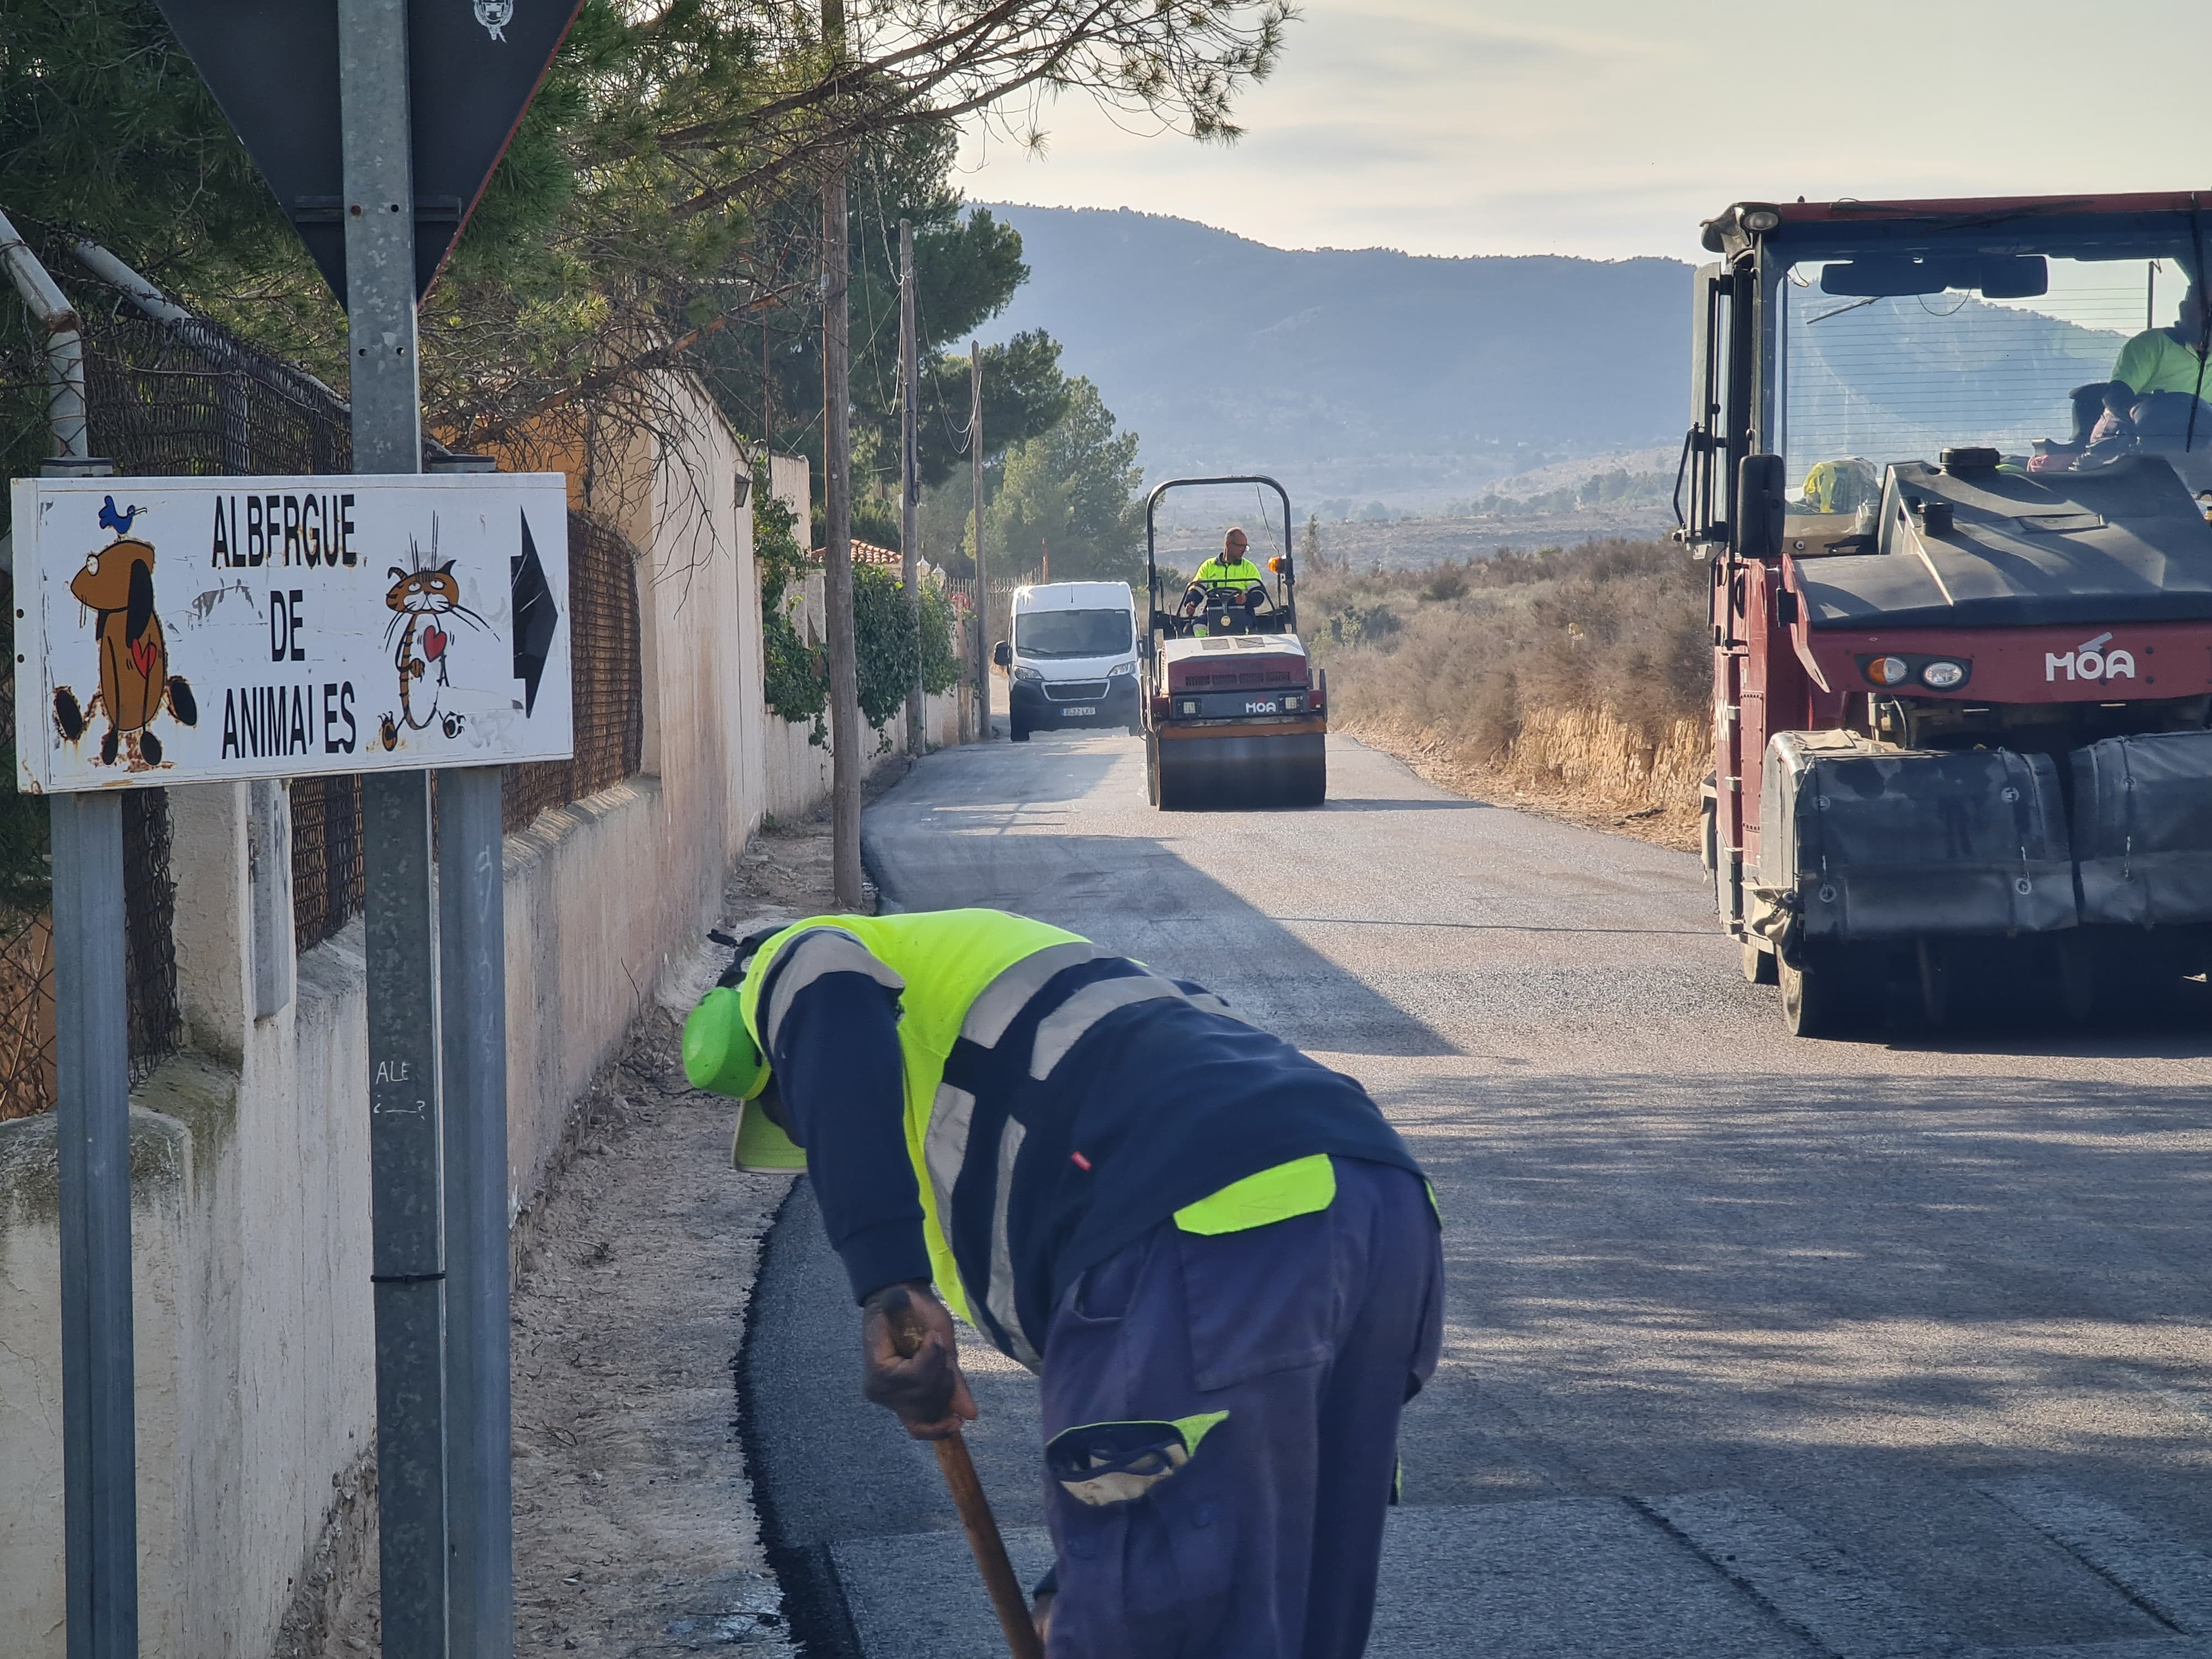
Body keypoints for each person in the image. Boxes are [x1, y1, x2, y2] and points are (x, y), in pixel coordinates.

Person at [684, 909, 1443, 1659]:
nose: (812, 1135)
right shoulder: (1061, 1016)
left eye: (792, 1114)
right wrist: (1079, 1583)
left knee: (1157, 1619)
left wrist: (890, 1284)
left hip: (1206, 1229)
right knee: (1290, 1602)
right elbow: (1165, 1444)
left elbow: (828, 1001)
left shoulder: (803, 957)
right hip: (1379, 1211)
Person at [1181, 526, 1269, 617]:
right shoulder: (1208, 566)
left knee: (1243, 629)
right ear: (1228, 544)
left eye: (1245, 547)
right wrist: (1191, 603)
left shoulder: (1249, 568)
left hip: (1242, 612)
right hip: (1213, 611)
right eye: (1240, 546)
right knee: (1197, 626)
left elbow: (1259, 595)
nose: (1244, 551)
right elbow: (1197, 590)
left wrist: (1245, 599)